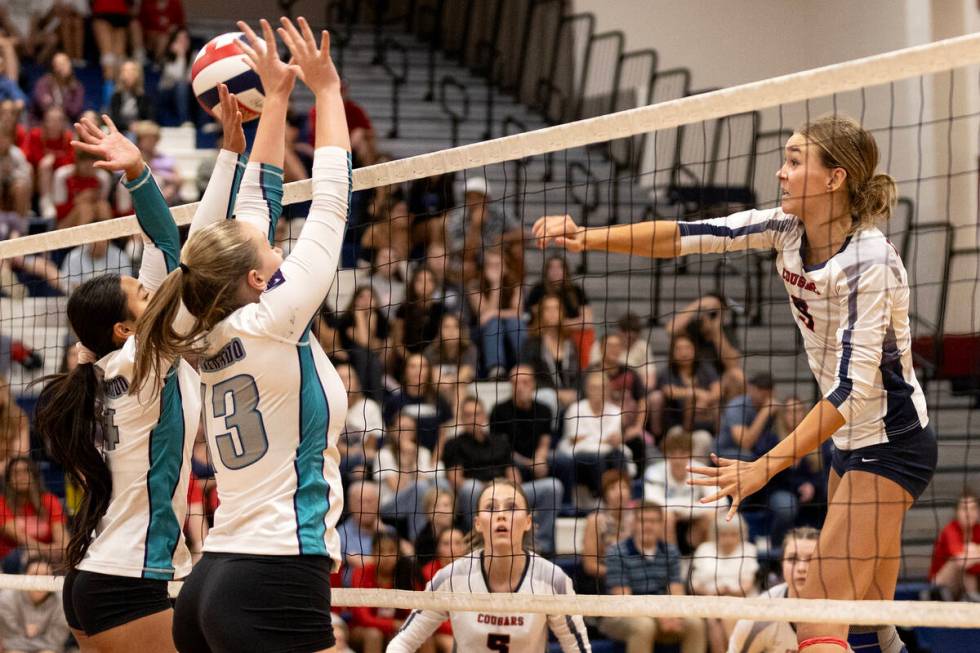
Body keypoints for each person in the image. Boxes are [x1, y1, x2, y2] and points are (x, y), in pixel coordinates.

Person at [536, 114, 936, 653]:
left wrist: (762, 467)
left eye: (796, 161)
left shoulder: (869, 262)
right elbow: (687, 237)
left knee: (819, 618)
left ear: (834, 179)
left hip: (889, 444)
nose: (781, 172)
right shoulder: (787, 228)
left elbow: (849, 392)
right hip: (851, 443)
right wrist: (587, 238)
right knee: (866, 614)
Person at [131, 18, 351, 653]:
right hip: (273, 572)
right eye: (269, 246)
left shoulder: (202, 322)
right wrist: (325, 90)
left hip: (215, 579)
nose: (273, 235)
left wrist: (277, 100)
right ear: (257, 278)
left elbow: (257, 205)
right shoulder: (277, 318)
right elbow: (331, 199)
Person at [32, 84, 248, 650]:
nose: (151, 294)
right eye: (139, 295)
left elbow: (170, 244)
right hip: (129, 580)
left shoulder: (110, 367)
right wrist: (138, 175)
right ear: (126, 328)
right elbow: (177, 252)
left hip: (95, 576)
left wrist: (230, 152)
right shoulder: (146, 357)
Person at [386, 479, 591, 652]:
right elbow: (403, 642)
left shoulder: (552, 579)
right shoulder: (451, 578)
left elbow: (579, 649)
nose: (501, 515)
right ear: (477, 523)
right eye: (491, 508)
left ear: (528, 522)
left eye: (512, 507)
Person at [442, 396, 562, 555]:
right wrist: (489, 491)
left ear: (484, 416)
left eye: (477, 414)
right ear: (462, 418)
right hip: (480, 494)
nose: (474, 419)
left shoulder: (499, 441)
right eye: (469, 415)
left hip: (506, 489)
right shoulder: (454, 444)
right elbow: (456, 480)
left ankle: (541, 546)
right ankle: (481, 544)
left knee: (552, 486)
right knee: (470, 488)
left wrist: (508, 491)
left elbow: (513, 473)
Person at [598, 501, 707, 653]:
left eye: (653, 521)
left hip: (662, 613)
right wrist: (660, 616)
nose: (648, 525)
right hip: (621, 615)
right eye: (643, 520)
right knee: (644, 625)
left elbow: (676, 590)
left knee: (695, 623)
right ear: (634, 524)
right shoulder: (617, 552)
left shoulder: (670, 551)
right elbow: (624, 599)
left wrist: (672, 615)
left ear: (661, 524)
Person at [717, 373, 799, 546]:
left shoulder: (778, 411)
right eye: (759, 390)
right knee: (746, 459)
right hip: (730, 459)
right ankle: (744, 541)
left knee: (787, 506)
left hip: (769, 473)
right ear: (751, 389)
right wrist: (764, 414)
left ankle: (776, 550)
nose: (762, 395)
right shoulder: (737, 405)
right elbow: (745, 443)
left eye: (766, 391)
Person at [727, 527, 822, 653]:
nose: (801, 568)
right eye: (792, 559)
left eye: (811, 559)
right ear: (782, 563)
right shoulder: (759, 616)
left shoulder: (845, 611)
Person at [690, 513, 759, 652]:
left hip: (740, 600)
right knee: (714, 618)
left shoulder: (749, 549)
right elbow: (694, 584)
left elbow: (748, 585)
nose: (728, 539)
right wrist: (712, 592)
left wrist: (728, 591)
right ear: (715, 534)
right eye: (723, 534)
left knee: (727, 617)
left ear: (741, 534)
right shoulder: (704, 549)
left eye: (733, 534)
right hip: (710, 601)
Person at [644, 427, 718, 552]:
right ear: (667, 454)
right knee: (666, 516)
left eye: (682, 453)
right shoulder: (654, 472)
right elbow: (653, 504)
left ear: (690, 454)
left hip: (694, 521)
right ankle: (671, 561)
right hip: (669, 520)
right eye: (673, 454)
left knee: (712, 515)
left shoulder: (701, 470)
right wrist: (688, 507)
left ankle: (702, 560)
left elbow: (719, 502)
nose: (678, 459)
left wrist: (685, 511)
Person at [667, 293, 746, 402]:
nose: (711, 314)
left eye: (716, 311)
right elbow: (670, 329)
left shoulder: (727, 331)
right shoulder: (693, 327)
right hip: (693, 376)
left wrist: (716, 331)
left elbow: (732, 365)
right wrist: (700, 303)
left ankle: (731, 417)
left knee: (737, 375)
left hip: (719, 381)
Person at [488, 364, 554, 483]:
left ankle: (567, 501)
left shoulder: (544, 410)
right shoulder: (499, 411)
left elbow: (545, 440)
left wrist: (540, 458)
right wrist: (529, 464)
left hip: (537, 457)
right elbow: (501, 449)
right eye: (515, 383)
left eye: (525, 382)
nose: (520, 387)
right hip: (513, 460)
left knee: (564, 460)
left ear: (533, 384)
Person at [649, 332, 721, 439]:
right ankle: (658, 438)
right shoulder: (667, 372)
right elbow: (670, 391)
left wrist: (706, 400)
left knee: (716, 407)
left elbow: (717, 391)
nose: (684, 353)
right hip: (677, 423)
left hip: (703, 419)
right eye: (679, 349)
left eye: (687, 348)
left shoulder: (705, 368)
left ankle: (720, 437)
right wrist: (697, 393)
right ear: (672, 352)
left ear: (694, 350)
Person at [0, 457, 67, 571]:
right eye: (16, 473)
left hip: (48, 557)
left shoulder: (49, 500)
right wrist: (46, 550)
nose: (21, 476)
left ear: (34, 476)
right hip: (13, 559)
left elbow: (62, 537)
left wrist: (63, 550)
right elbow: (19, 538)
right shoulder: (2, 503)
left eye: (26, 471)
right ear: (9, 480)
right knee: (21, 556)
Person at [467, 247, 524, 379]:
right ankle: (496, 369)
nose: (494, 269)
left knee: (514, 323)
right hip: (482, 333)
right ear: (484, 267)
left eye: (498, 264)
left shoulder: (515, 285)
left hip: (510, 329)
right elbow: (485, 316)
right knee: (494, 324)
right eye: (490, 265)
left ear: (505, 267)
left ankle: (524, 364)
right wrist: (495, 285)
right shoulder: (474, 286)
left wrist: (495, 313)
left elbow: (518, 313)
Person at [579, 469, 635, 595]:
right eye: (613, 488)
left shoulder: (637, 519)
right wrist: (620, 574)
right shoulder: (595, 520)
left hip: (637, 580)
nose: (619, 493)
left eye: (624, 487)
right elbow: (590, 565)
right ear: (605, 494)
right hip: (606, 582)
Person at [0, 558, 70, 653]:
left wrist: (28, 632)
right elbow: (10, 640)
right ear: (23, 576)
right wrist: (39, 634)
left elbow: (56, 642)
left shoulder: (63, 601)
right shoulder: (6, 598)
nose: (40, 581)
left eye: (45, 575)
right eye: (34, 574)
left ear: (53, 578)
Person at [928, 490, 980, 601]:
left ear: (978, 512)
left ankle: (972, 597)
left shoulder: (978, 530)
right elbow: (960, 560)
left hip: (969, 580)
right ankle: (940, 595)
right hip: (942, 583)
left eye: (973, 508)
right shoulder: (950, 530)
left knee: (968, 565)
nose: (968, 513)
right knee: (961, 561)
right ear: (957, 512)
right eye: (964, 508)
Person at [29, 52, 84, 122]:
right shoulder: (44, 83)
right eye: (61, 64)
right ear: (53, 67)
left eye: (67, 63)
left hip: (68, 124)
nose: (65, 67)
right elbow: (43, 104)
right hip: (43, 123)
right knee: (54, 115)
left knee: (89, 115)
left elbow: (75, 110)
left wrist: (60, 107)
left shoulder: (76, 87)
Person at [108, 59, 154, 133]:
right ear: (121, 75)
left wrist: (139, 126)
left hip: (140, 131)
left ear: (138, 74)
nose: (129, 74)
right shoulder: (116, 96)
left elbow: (150, 118)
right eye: (126, 71)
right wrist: (128, 126)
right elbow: (114, 118)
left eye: (132, 71)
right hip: (120, 130)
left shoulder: (144, 97)